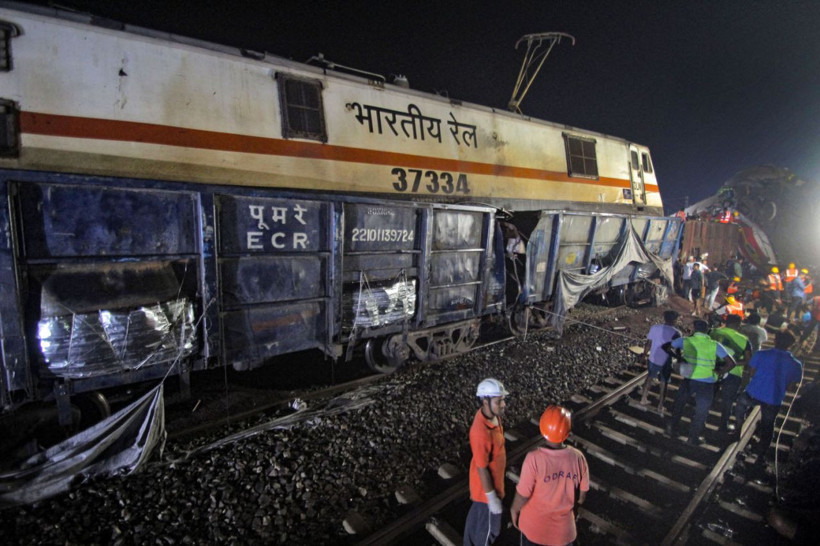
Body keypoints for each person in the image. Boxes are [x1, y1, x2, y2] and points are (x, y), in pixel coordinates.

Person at [511, 406, 589, 546]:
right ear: (568, 432)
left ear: (542, 428)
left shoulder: (533, 458)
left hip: (533, 529)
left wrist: (514, 510)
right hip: (563, 534)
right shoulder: (578, 458)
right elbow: (582, 497)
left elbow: (523, 495)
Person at [732, 331, 803, 463]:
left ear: (775, 341)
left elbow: (751, 373)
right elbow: (790, 388)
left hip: (753, 393)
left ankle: (737, 429)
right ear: (791, 345)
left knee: (740, 403)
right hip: (774, 399)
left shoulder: (761, 354)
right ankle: (762, 451)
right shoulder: (796, 364)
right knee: (768, 424)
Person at [664, 320, 736, 445]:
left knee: (679, 405)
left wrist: (679, 357)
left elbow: (666, 346)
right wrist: (720, 372)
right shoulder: (715, 345)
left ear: (694, 329)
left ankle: (672, 429)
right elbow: (732, 363)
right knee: (701, 410)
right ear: (707, 330)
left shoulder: (686, 341)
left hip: (689, 380)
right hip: (706, 382)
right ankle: (693, 438)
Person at [465, 378, 509, 546]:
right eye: (499, 401)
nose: (503, 404)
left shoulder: (492, 417)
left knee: (476, 522)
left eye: (503, 400)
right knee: (490, 532)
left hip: (483, 489)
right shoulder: (480, 432)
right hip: (487, 491)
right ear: (485, 401)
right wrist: (492, 499)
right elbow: (482, 468)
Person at [710, 314, 752, 432]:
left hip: (714, 369)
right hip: (734, 373)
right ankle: (723, 425)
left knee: (709, 396)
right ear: (738, 325)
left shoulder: (713, 332)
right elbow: (748, 360)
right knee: (728, 400)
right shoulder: (744, 339)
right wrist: (730, 364)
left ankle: (700, 420)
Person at [640, 310, 682, 412]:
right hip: (666, 361)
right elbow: (677, 350)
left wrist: (644, 355)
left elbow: (648, 343)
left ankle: (643, 398)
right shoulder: (676, 333)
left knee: (649, 377)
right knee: (664, 382)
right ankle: (660, 406)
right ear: (675, 320)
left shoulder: (654, 328)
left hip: (653, 357)